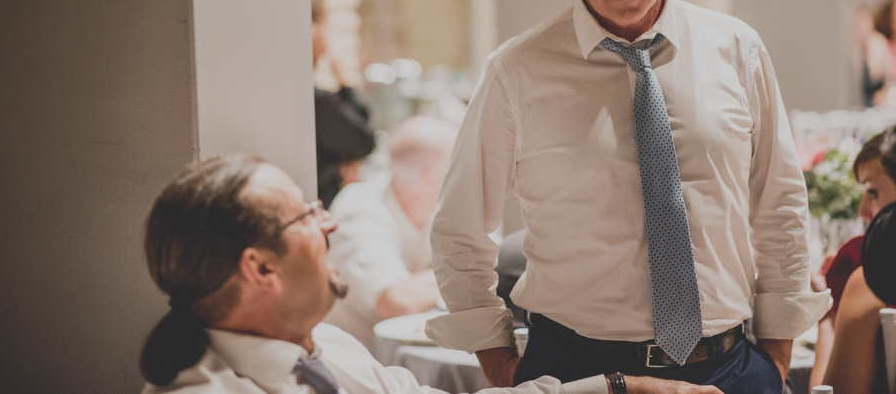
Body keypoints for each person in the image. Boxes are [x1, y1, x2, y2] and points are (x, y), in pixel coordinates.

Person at [426, 0, 830, 394]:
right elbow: (460, 230)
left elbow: (780, 205)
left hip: (731, 367)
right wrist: (501, 365)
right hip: (576, 370)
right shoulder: (517, 72)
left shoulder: (737, 50)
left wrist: (776, 363)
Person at [139, 154, 722, 394]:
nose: (329, 224)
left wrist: (619, 388)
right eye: (308, 213)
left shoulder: (332, 348)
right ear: (260, 267)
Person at [324, 115, 459, 349]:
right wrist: (471, 270)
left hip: (408, 356)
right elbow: (397, 300)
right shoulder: (360, 208)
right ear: (430, 178)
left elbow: (495, 256)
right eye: (460, 165)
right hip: (359, 368)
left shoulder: (439, 209)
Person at [810, 126, 896, 388]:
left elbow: (830, 392)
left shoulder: (870, 281)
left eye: (872, 192)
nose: (862, 210)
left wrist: (827, 316)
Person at [312, 0, 376, 208]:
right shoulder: (316, 103)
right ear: (313, 31)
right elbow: (364, 140)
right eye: (324, 26)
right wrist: (345, 82)